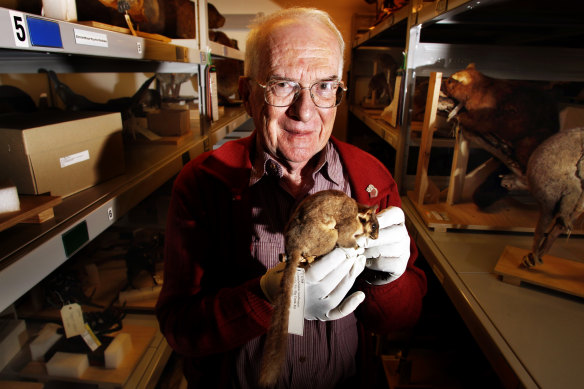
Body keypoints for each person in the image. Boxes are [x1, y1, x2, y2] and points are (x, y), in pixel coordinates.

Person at [156, 7, 427, 388]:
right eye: (282, 85)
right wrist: (268, 298)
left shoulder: (370, 178)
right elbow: (181, 329)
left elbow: (402, 319)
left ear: (339, 91)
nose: (305, 112)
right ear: (248, 93)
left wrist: (387, 280)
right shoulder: (204, 183)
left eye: (324, 87)